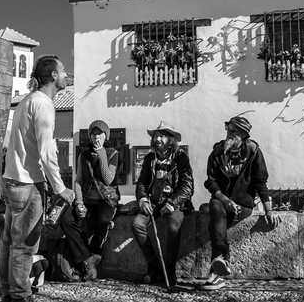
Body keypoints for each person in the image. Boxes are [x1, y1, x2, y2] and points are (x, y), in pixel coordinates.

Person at [0, 55, 75, 302]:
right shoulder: (43, 104)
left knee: (9, 242)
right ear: (53, 75)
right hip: (27, 182)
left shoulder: (25, 102)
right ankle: (20, 296)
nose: (66, 75)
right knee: (24, 246)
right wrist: (60, 187)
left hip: (12, 179)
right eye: (63, 71)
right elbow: (46, 151)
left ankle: (8, 292)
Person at [201, 116, 278, 291]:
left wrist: (268, 210)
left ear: (243, 135)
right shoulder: (218, 152)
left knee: (215, 221)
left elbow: (260, 182)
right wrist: (226, 200)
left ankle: (218, 266)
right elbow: (211, 181)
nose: (229, 134)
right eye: (228, 130)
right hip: (221, 201)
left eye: (234, 132)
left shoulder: (253, 152)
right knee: (215, 206)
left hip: (243, 205)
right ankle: (220, 265)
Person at [132, 121, 193, 291]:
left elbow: (187, 186)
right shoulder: (150, 158)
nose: (157, 138)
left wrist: (173, 203)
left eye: (162, 135)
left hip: (176, 203)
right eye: (156, 135)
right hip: (154, 202)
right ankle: (155, 268)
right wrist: (143, 199)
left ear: (171, 139)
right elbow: (142, 182)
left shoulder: (180, 157)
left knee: (173, 225)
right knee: (137, 224)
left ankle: (170, 270)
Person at [59, 120, 119, 281]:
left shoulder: (113, 153)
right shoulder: (83, 155)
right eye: (93, 134)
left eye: (99, 134)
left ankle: (94, 255)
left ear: (105, 136)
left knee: (102, 219)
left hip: (106, 200)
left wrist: (101, 154)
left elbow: (108, 179)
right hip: (87, 199)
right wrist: (79, 203)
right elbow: (78, 181)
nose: (96, 137)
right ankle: (86, 259)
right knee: (67, 219)